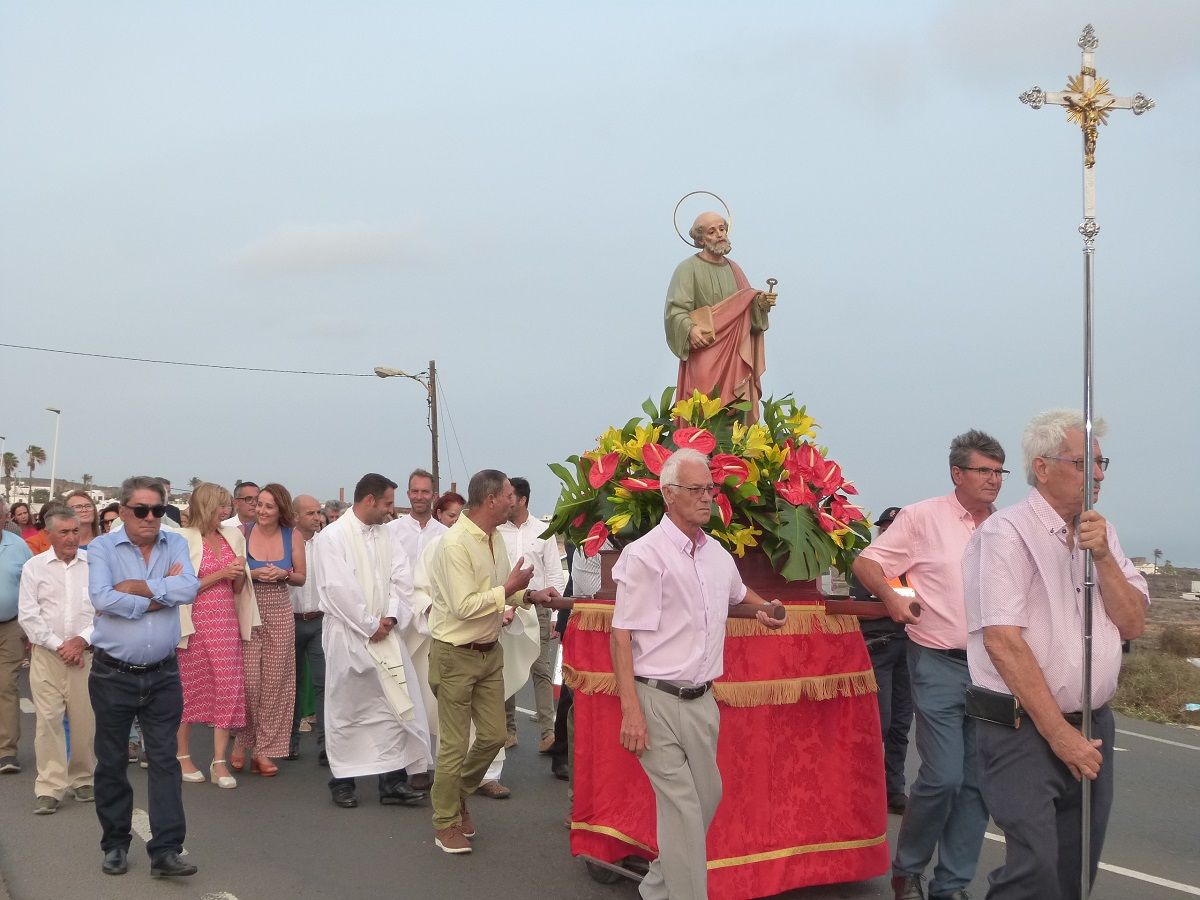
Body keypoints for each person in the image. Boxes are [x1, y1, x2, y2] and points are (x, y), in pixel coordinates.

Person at [963, 410, 1147, 900]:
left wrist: (1104, 557)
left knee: (1074, 870)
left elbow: (1133, 621)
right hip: (1023, 728)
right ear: (1042, 468)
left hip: (1092, 723)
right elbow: (1003, 641)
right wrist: (1060, 734)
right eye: (1084, 462)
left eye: (1103, 462)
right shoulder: (1006, 534)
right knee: (1035, 871)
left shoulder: (1101, 534)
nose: (1100, 474)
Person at [611, 448, 784, 899]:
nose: (708, 497)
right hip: (655, 699)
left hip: (703, 701)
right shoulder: (645, 555)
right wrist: (631, 711)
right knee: (686, 810)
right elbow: (621, 635)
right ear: (669, 495)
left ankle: (654, 887)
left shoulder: (716, 555)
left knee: (706, 799)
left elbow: (740, 595)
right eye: (697, 489)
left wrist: (765, 609)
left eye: (710, 488)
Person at [853, 429, 1007, 900]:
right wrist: (894, 599)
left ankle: (951, 886)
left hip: (995, 670)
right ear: (957, 474)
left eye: (1000, 472)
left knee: (978, 784)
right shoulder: (923, 518)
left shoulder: (1007, 527)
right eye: (984, 471)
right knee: (943, 777)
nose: (994, 481)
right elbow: (867, 563)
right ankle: (908, 867)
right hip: (937, 661)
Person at [425, 469, 561, 854]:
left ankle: (455, 795)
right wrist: (509, 590)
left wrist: (531, 596)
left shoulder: (494, 538)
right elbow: (464, 605)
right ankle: (445, 821)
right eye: (508, 495)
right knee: (453, 745)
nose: (513, 501)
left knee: (493, 737)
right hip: (455, 655)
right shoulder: (454, 544)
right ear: (490, 501)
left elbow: (502, 591)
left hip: (489, 651)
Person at [86, 475, 199, 877]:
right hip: (113, 674)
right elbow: (102, 597)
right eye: (141, 510)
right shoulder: (101, 547)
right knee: (113, 761)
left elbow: (189, 588)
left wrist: (135, 588)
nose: (150, 517)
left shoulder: (177, 542)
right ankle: (115, 843)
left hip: (164, 673)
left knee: (165, 761)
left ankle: (167, 850)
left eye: (157, 509)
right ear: (124, 510)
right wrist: (159, 594)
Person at [310, 473, 430, 808]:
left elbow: (401, 579)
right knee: (346, 707)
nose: (392, 511)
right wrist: (367, 623)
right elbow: (337, 589)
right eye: (388, 503)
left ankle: (391, 782)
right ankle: (342, 782)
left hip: (386, 633)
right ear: (370, 500)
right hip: (348, 634)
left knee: (392, 705)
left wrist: (390, 617)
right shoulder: (332, 537)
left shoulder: (386, 535)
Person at [177, 483, 258, 789]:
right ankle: (182, 755)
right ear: (206, 506)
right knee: (190, 690)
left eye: (228, 506)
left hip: (226, 623)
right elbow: (181, 588)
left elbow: (237, 589)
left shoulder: (233, 536)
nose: (227, 512)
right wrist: (220, 574)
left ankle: (219, 761)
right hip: (194, 624)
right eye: (221, 506)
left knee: (227, 687)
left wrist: (237, 574)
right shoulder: (182, 538)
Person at [18, 506, 96, 814]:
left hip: (83, 657)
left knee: (83, 720)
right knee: (48, 720)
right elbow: (28, 614)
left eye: (75, 531)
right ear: (48, 534)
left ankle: (82, 778)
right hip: (47, 657)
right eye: (63, 532)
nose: (71, 538)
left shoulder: (94, 565)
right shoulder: (34, 567)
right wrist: (58, 645)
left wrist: (80, 641)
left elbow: (102, 611)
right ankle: (50, 786)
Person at [664, 211, 777, 420]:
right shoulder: (688, 269)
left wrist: (759, 305)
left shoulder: (735, 270)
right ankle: (699, 447)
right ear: (700, 239)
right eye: (712, 231)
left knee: (736, 405)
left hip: (735, 351)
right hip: (706, 346)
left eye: (722, 229)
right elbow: (675, 310)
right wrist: (689, 328)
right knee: (702, 403)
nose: (719, 235)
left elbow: (745, 311)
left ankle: (734, 449)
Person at [232, 482, 305, 776]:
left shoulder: (293, 535)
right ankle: (242, 740)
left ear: (280, 510)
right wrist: (254, 572)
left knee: (276, 684)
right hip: (248, 607)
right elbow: (231, 572)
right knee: (250, 683)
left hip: (280, 609)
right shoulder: (241, 534)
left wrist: (283, 574)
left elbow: (301, 577)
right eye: (258, 504)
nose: (260, 510)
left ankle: (263, 751)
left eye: (268, 506)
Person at [849, 505, 914, 815]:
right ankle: (867, 788)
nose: (888, 533)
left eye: (894, 527)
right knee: (881, 722)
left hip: (909, 649)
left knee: (901, 723)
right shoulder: (867, 567)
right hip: (880, 647)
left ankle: (893, 789)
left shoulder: (913, 567)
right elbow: (866, 607)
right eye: (885, 528)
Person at [497, 476, 566, 753]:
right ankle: (508, 730)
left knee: (541, 669)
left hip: (537, 607)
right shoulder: (497, 531)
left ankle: (548, 733)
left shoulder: (543, 531)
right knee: (506, 666)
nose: (505, 500)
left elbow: (555, 574)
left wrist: (553, 616)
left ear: (522, 500)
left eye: (509, 496)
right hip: (506, 606)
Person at [289, 494, 326, 762]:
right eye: (310, 513)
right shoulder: (284, 544)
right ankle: (290, 742)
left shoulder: (327, 544)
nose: (317, 518)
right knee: (292, 684)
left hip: (319, 621)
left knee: (324, 683)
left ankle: (327, 745)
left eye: (318, 513)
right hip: (289, 621)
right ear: (295, 516)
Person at [0, 499, 35, 774]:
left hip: (10, 627)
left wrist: (27, 627)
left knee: (6, 688)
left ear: (5, 517)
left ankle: (7, 752)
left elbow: (32, 586)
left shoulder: (18, 545)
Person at [387, 469, 448, 568]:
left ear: (434, 496)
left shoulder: (445, 535)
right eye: (415, 491)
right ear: (408, 494)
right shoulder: (391, 530)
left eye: (425, 492)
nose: (419, 497)